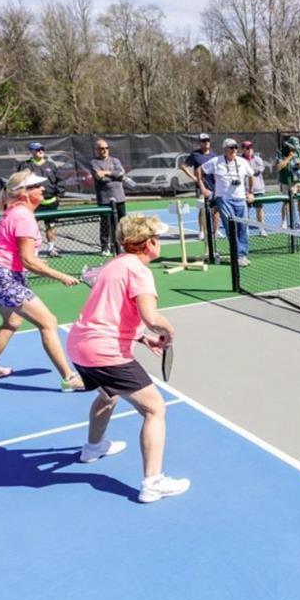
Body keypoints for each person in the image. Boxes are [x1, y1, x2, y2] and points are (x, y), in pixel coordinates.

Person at [65, 214, 190, 503]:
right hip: (104, 351)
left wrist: (141, 336)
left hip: (80, 345)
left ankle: (93, 448)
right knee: (154, 409)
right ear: (148, 244)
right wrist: (167, 330)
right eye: (157, 238)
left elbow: (111, 310)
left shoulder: (115, 264)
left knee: (109, 395)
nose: (160, 242)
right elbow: (151, 316)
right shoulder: (140, 271)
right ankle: (153, 483)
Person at [0, 170, 84, 390]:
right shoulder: (23, 216)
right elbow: (28, 260)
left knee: (12, 322)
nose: (42, 188)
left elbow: (21, 257)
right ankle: (69, 378)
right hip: (2, 275)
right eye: (36, 186)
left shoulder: (14, 211)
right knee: (48, 322)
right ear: (24, 193)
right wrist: (61, 276)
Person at [198, 138, 255, 266]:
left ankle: (242, 255)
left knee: (243, 228)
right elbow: (199, 170)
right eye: (231, 147)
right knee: (231, 228)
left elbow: (251, 175)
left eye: (235, 147)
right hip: (223, 199)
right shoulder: (216, 161)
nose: (234, 150)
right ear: (225, 149)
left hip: (240, 199)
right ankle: (237, 256)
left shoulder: (243, 161)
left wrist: (251, 192)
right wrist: (203, 188)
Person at [18, 142, 65, 256]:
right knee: (33, 227)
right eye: (37, 149)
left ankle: (51, 248)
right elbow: (20, 182)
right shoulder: (25, 166)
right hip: (34, 203)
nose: (40, 151)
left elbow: (59, 181)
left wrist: (59, 195)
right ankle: (34, 250)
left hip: (51, 202)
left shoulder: (51, 165)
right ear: (32, 152)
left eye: (42, 149)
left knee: (50, 226)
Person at [90, 138, 127, 256]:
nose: (104, 150)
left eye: (106, 148)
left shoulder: (115, 160)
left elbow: (121, 175)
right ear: (97, 150)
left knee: (122, 223)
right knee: (106, 224)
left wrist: (106, 173)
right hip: (104, 199)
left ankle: (121, 244)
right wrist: (112, 174)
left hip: (119, 197)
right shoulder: (94, 163)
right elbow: (99, 177)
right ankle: (105, 247)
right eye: (101, 148)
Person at [181, 133, 217, 241]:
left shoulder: (214, 156)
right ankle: (201, 231)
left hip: (214, 186)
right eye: (204, 141)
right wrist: (194, 178)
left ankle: (214, 232)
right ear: (200, 142)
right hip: (201, 187)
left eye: (208, 140)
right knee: (202, 209)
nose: (206, 142)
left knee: (216, 210)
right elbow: (183, 166)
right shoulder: (195, 154)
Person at [275, 136, 300, 229]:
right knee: (286, 202)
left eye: (296, 147)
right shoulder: (281, 153)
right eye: (293, 147)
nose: (295, 149)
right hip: (288, 182)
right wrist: (289, 157)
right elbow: (279, 167)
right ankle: (284, 222)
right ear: (289, 145)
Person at [241, 140, 267, 235]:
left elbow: (256, 172)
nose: (250, 149)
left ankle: (261, 229)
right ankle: (245, 229)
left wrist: (248, 170)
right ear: (243, 149)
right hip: (244, 191)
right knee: (245, 211)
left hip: (258, 189)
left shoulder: (258, 159)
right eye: (247, 148)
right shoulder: (240, 160)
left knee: (259, 210)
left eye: (251, 147)